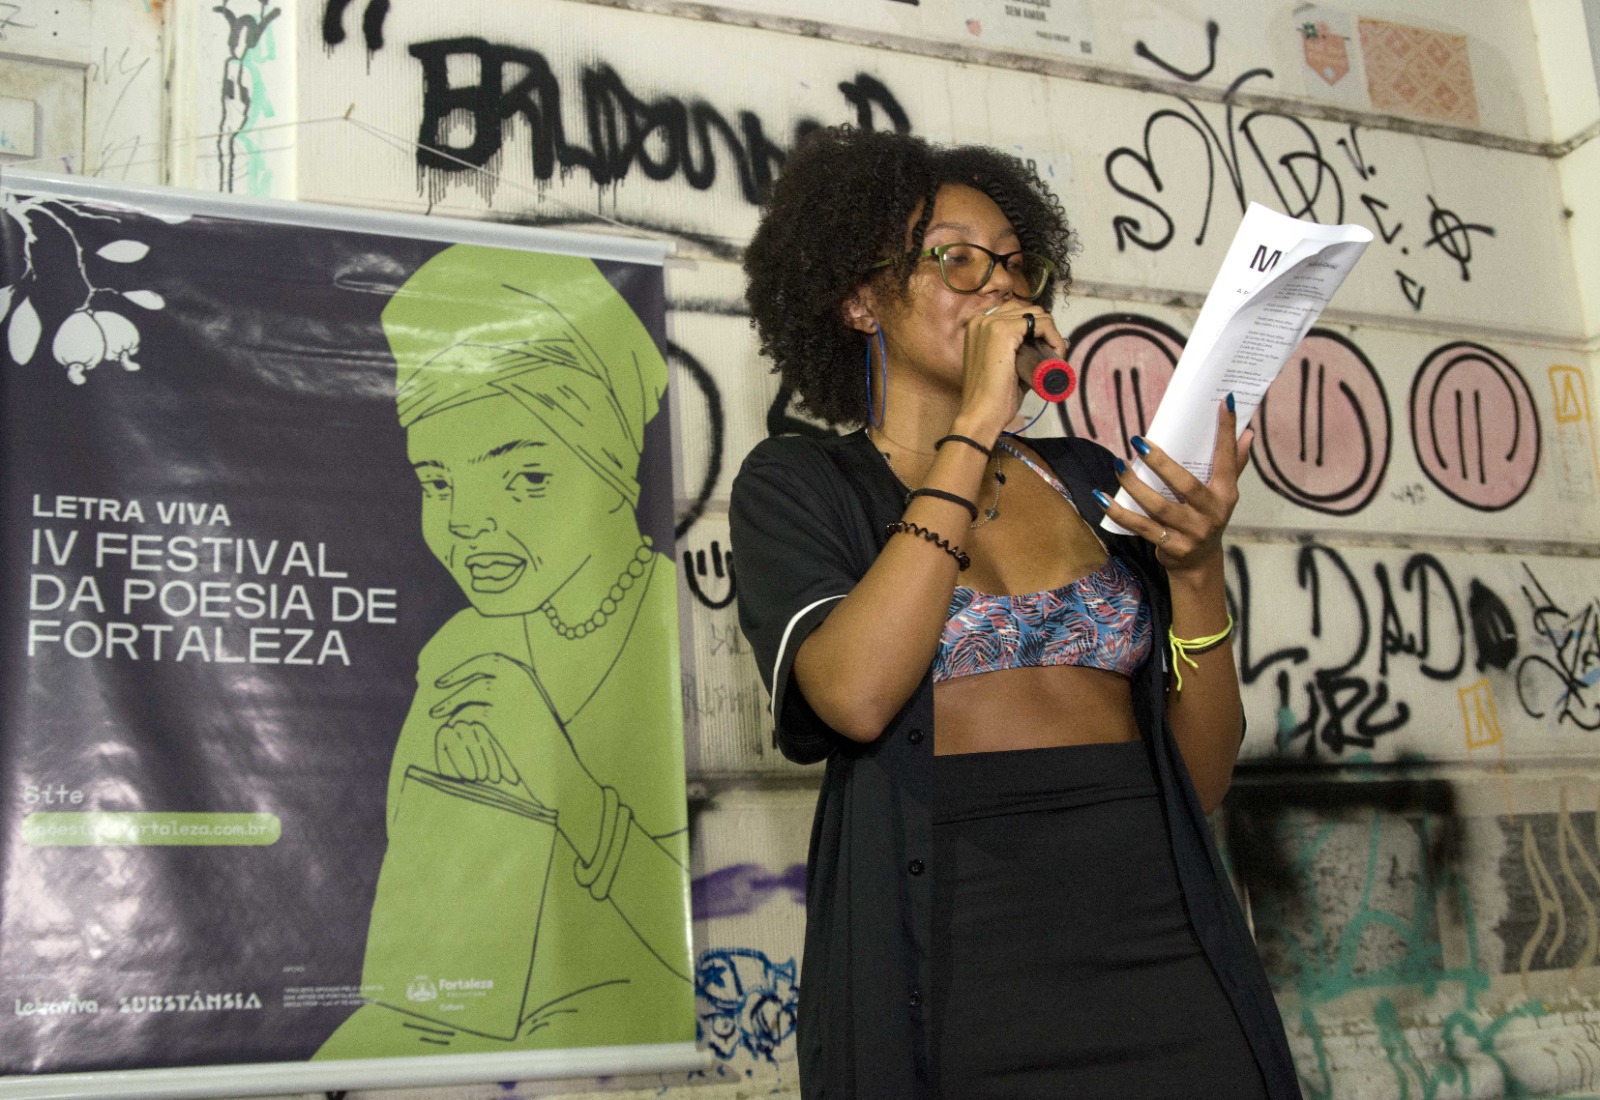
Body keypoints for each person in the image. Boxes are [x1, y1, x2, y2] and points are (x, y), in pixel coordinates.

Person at [729, 127, 1302, 1099]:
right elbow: (855, 696)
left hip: (1166, 950)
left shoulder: (1089, 480)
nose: (997, 283)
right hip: (950, 971)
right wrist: (974, 424)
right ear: (859, 300)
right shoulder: (801, 483)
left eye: (1012, 262)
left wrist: (1198, 568)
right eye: (955, 259)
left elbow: (1199, 777)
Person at [316, 244, 694, 1058]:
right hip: (456, 1045)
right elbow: (421, 941)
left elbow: (706, 915)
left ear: (612, 467)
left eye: (525, 478)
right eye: (438, 481)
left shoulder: (677, 623)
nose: (465, 522)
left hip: (627, 1057)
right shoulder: (460, 653)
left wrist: (564, 782)